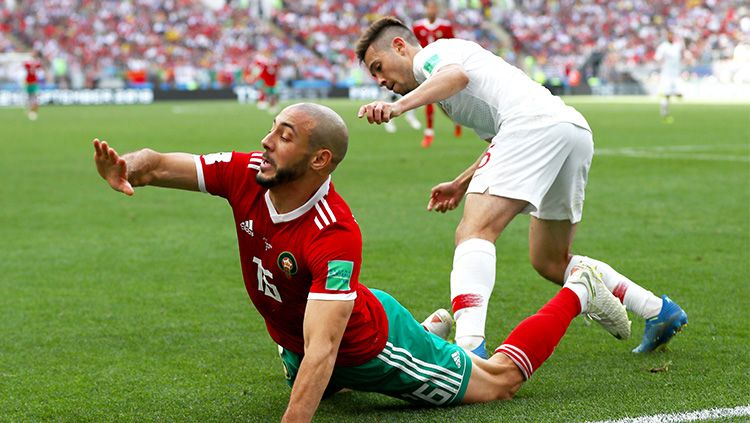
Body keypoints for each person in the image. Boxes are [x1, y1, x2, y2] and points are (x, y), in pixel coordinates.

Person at [92, 103, 630, 422]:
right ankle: (435, 329)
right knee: (326, 388)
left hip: (370, 345)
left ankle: (578, 287)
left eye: (286, 136)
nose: (266, 141)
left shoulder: (334, 233)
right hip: (303, 337)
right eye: (274, 127)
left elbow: (327, 349)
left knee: (498, 383)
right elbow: (159, 165)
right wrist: (127, 167)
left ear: (319, 159)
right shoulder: (246, 172)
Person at [356, 17, 688, 358]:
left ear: (400, 46)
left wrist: (397, 108)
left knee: (474, 231)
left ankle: (469, 349)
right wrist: (460, 183)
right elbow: (500, 141)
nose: (381, 81)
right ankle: (657, 311)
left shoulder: (433, 56)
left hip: (533, 126)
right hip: (569, 130)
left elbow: (456, 77)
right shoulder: (440, 86)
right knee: (549, 260)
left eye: (379, 67)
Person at [412, 0, 462, 147]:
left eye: (434, 7)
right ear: (426, 9)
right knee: (427, 99)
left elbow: (452, 45)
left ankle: (457, 121)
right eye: (430, 7)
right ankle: (429, 133)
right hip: (426, 67)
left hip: (442, 66)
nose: (432, 10)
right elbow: (415, 46)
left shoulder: (445, 26)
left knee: (448, 100)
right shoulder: (417, 27)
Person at [654, 31, 684, 123]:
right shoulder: (663, 46)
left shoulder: (677, 46)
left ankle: (674, 94)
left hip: (676, 74)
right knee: (666, 94)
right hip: (667, 74)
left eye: (672, 35)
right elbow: (657, 58)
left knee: (677, 94)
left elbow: (681, 55)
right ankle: (664, 113)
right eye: (669, 35)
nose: (671, 37)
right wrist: (661, 64)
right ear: (667, 37)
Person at [24, 53, 42, 121]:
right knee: (32, 98)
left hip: (32, 83)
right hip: (31, 83)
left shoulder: (28, 64)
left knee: (33, 98)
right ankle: (31, 111)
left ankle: (32, 111)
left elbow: (25, 65)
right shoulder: (36, 63)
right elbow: (39, 64)